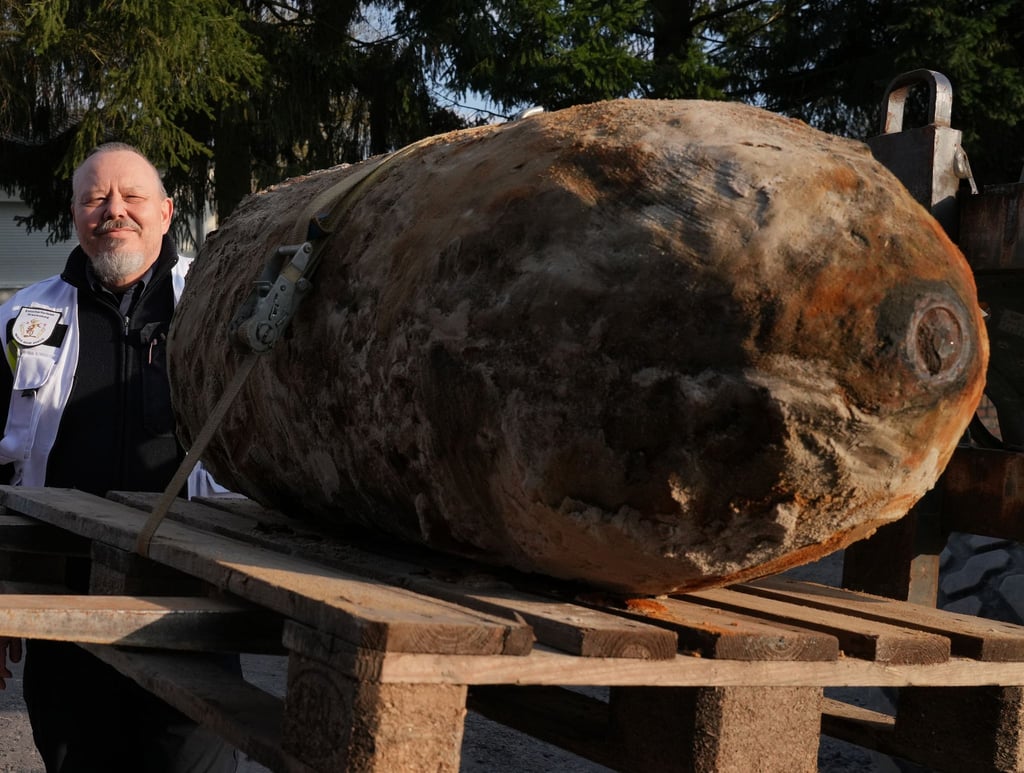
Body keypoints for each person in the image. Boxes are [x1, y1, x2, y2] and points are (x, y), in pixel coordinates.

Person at [0, 143, 238, 772]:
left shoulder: (216, 310)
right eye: (94, 199)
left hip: (194, 602)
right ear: (75, 215)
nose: (114, 211)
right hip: (63, 606)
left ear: (165, 210)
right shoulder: (21, 317)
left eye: (131, 197)